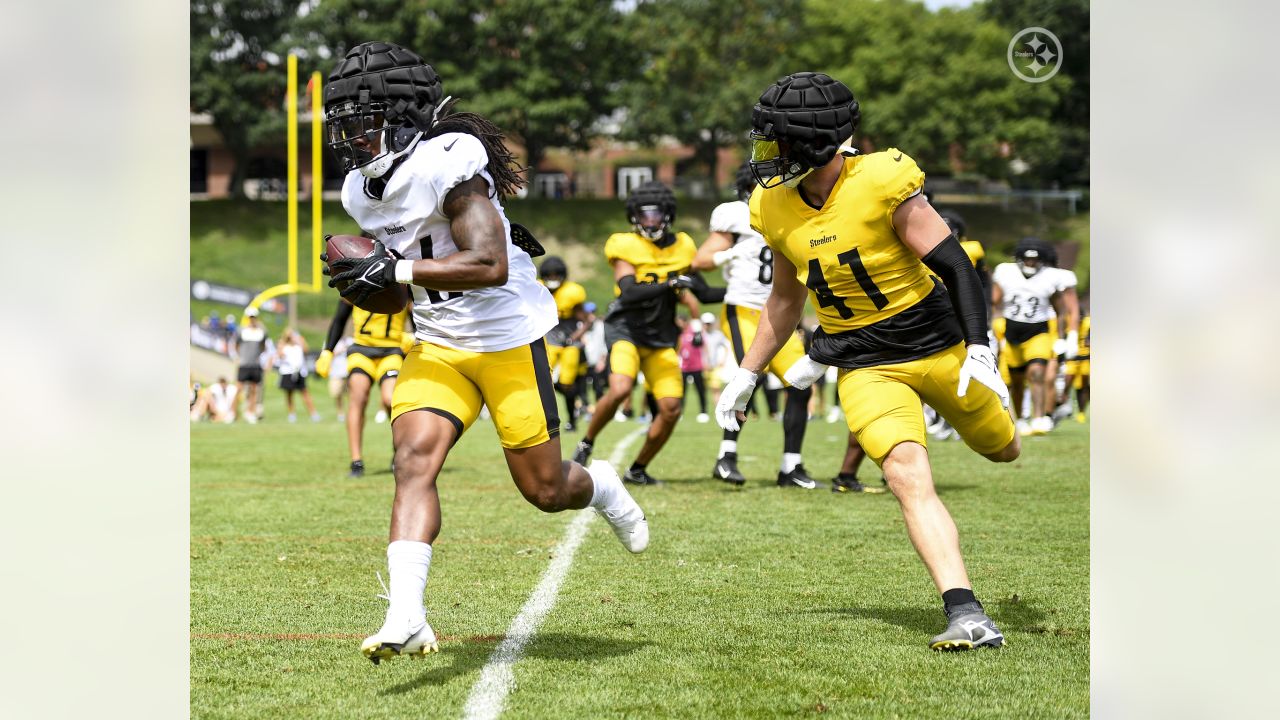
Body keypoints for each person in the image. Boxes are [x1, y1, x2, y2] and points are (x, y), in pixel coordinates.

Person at [318, 41, 647, 664]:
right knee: (412, 461)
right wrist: (373, 285)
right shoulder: (361, 192)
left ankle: (600, 485)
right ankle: (406, 616)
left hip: (505, 338)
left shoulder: (450, 161)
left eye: (363, 121)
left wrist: (399, 269)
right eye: (344, 124)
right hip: (438, 345)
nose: (352, 138)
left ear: (404, 116)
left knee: (546, 491)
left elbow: (489, 265)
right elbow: (397, 297)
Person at [717, 72, 1018, 651]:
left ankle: (993, 426)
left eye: (776, 139)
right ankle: (967, 612)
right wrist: (748, 372)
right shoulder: (771, 205)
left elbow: (957, 266)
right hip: (865, 363)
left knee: (1003, 448)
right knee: (906, 475)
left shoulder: (881, 179)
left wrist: (980, 347)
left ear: (808, 142)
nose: (766, 153)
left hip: (941, 348)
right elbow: (785, 299)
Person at [569, 181, 724, 485]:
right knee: (621, 389)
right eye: (644, 214)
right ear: (634, 216)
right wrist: (670, 283)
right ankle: (586, 441)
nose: (649, 221)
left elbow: (702, 293)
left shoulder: (684, 245)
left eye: (656, 214)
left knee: (670, 408)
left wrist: (748, 292)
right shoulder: (624, 244)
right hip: (626, 328)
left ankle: (638, 469)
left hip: (661, 336)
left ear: (668, 215)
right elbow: (627, 291)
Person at [692, 162, 817, 487]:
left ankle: (791, 466)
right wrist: (732, 252)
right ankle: (726, 457)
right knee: (752, 376)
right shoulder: (736, 214)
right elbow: (700, 261)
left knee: (800, 384)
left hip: (781, 314)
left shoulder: (793, 210)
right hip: (744, 310)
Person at [991, 237, 1079, 435]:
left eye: (1035, 260)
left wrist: (1065, 338)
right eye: (1027, 259)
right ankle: (1021, 419)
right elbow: (994, 301)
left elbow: (1062, 310)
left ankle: (1039, 417)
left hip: (1038, 331)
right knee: (1016, 380)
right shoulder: (1005, 272)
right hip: (1011, 330)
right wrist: (992, 324)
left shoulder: (1051, 277)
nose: (1030, 263)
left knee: (1037, 373)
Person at [316, 300, 412, 477]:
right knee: (358, 397)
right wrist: (327, 351)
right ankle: (356, 461)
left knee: (390, 399)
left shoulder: (404, 284)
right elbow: (339, 318)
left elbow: (420, 316)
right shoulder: (355, 282)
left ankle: (398, 451)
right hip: (362, 349)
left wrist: (416, 338)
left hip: (391, 351)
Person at [537, 255, 595, 432]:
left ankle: (572, 420)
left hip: (569, 343)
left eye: (556, 275)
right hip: (549, 340)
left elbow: (588, 320)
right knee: (540, 380)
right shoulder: (538, 288)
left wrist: (575, 337)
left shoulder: (572, 292)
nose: (553, 278)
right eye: (550, 275)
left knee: (567, 383)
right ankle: (543, 421)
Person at [232, 306, 271, 423]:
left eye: (254, 317)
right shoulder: (241, 330)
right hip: (244, 364)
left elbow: (264, 347)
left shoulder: (262, 331)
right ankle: (233, 413)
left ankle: (250, 412)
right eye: (250, 317)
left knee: (254, 389)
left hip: (256, 364)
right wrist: (241, 357)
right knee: (238, 388)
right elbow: (236, 345)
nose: (252, 319)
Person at [275, 328, 320, 422]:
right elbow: (279, 355)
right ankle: (292, 414)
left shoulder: (298, 345)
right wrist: (282, 342)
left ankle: (313, 414)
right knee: (289, 394)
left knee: (305, 393)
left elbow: (306, 350)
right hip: (288, 372)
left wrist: (299, 340)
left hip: (299, 372)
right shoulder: (284, 346)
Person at [677, 315, 710, 422]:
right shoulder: (679, 334)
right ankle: (680, 412)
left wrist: (706, 361)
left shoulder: (695, 332)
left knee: (701, 390)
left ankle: (703, 412)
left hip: (696, 366)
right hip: (684, 367)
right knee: (682, 392)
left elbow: (704, 346)